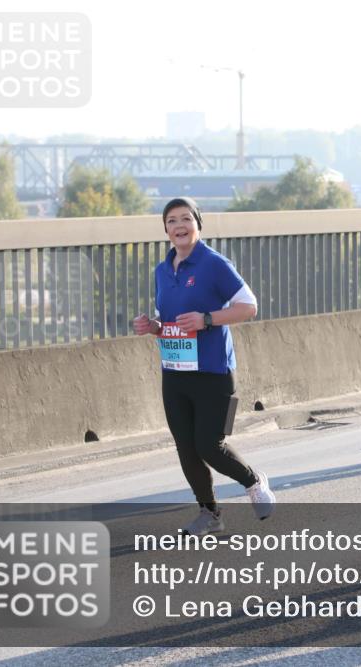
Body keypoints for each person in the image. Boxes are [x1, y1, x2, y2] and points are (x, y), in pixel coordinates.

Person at [132, 197, 276, 535]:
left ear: (198, 224)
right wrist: (153, 326)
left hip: (214, 372)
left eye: (186, 219)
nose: (179, 226)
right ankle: (209, 514)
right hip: (175, 373)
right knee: (186, 447)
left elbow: (248, 306)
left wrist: (207, 319)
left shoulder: (214, 264)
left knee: (209, 444)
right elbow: (171, 320)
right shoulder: (162, 270)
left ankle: (253, 482)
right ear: (165, 229)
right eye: (171, 221)